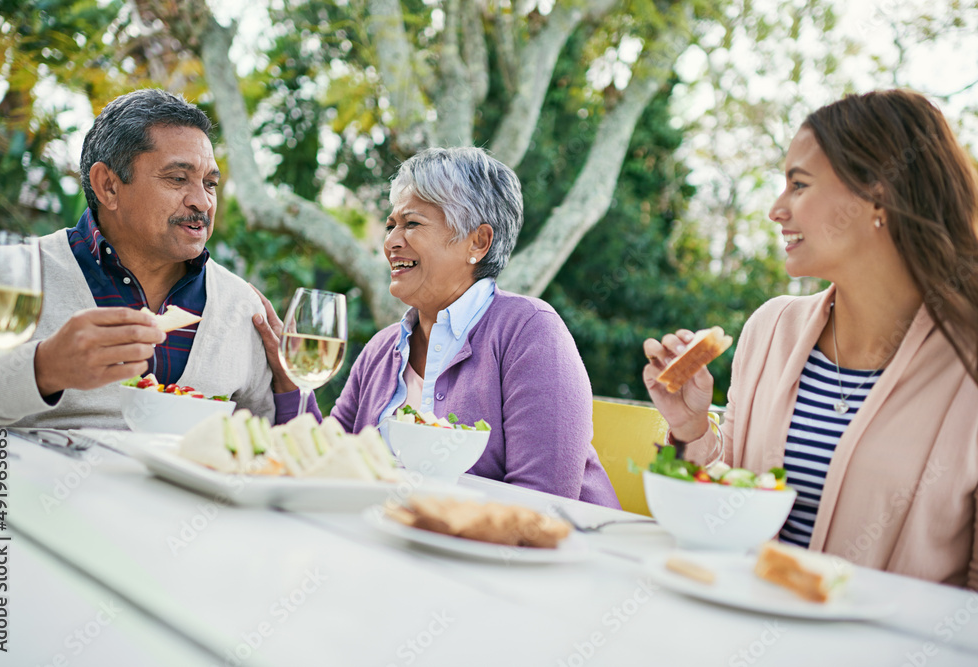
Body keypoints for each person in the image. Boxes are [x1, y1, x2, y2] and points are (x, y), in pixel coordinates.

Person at [643, 89, 978, 588]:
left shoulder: (966, 370)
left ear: (878, 196)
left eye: (798, 185)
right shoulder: (769, 330)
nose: (777, 210)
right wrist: (692, 429)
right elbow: (728, 503)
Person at [254, 147, 619, 507]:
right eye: (390, 225)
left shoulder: (530, 333)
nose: (391, 242)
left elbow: (543, 505)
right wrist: (288, 382)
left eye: (412, 224)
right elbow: (329, 460)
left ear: (478, 242)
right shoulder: (382, 350)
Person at [0, 89, 274, 429]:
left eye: (210, 183)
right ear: (108, 186)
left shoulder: (242, 306)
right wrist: (43, 368)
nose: (202, 202)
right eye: (178, 178)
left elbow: (264, 440)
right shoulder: (10, 275)